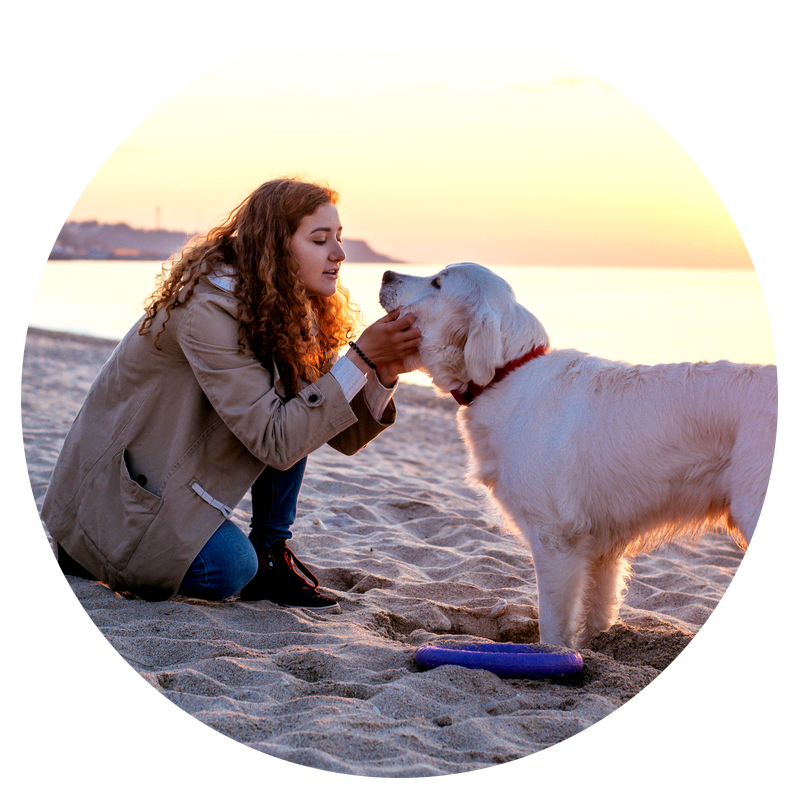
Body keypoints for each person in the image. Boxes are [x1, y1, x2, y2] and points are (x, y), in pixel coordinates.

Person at [42, 177, 421, 609]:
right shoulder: (209, 311)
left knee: (302, 410)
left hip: (177, 478)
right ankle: (86, 552)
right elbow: (277, 442)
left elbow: (338, 432)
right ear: (277, 247)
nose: (339, 253)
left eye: (339, 237)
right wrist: (360, 357)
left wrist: (383, 370)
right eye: (320, 240)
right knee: (230, 568)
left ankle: (272, 553)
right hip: (122, 493)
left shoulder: (290, 308)